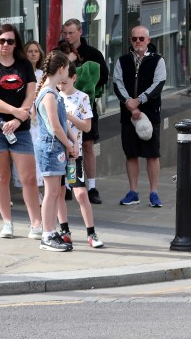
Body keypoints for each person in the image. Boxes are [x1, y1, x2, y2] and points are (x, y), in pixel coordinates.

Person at [0, 24, 42, 240]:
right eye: (1, 40)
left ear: (16, 43)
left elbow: (31, 95)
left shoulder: (24, 66)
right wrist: (14, 111)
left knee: (29, 178)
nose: (5, 44)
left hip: (20, 130)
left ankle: (36, 223)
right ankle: (7, 222)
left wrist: (16, 119)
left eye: (10, 41)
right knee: (1, 176)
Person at [113, 25, 166, 207]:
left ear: (148, 40)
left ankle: (154, 193)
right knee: (131, 154)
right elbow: (117, 84)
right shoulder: (122, 61)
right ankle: (133, 192)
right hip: (128, 114)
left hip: (150, 113)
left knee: (152, 154)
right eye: (134, 39)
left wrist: (139, 101)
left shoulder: (158, 60)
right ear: (130, 41)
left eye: (141, 39)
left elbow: (158, 84)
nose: (138, 42)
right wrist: (130, 104)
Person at [55, 62, 104, 248]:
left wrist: (68, 117)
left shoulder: (82, 97)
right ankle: (64, 231)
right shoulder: (53, 96)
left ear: (74, 78)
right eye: (59, 83)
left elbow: (87, 126)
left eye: (65, 82)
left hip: (75, 154)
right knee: (59, 191)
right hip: (57, 153)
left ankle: (91, 233)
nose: (61, 86)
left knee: (81, 193)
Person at [33, 50, 78, 251]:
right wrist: (69, 144)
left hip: (55, 147)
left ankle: (51, 232)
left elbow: (62, 121)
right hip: (51, 148)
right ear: (61, 69)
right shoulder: (49, 94)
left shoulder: (52, 92)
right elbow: (55, 126)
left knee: (54, 192)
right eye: (67, 68)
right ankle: (47, 234)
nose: (68, 72)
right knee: (51, 193)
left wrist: (73, 139)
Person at [61, 18, 108, 205]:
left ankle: (91, 187)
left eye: (71, 32)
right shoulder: (59, 53)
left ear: (80, 31)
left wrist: (85, 87)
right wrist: (66, 61)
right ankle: (68, 184)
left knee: (87, 145)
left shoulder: (93, 53)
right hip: (63, 106)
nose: (68, 36)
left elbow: (103, 76)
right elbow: (51, 75)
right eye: (65, 33)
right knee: (66, 147)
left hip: (84, 105)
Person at [23, 40, 46, 195]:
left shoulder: (42, 75)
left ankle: (40, 188)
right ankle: (31, 189)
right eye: (30, 51)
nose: (33, 54)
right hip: (26, 116)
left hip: (41, 118)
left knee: (40, 153)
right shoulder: (21, 73)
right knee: (28, 154)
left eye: (36, 51)